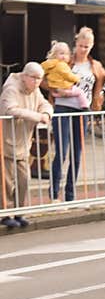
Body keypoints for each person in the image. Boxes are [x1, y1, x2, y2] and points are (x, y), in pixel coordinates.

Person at [45, 27, 105, 203]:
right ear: (75, 44)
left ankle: (70, 195)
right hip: (63, 108)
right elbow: (43, 78)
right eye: (80, 46)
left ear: (91, 46)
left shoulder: (95, 66)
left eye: (87, 46)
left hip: (82, 110)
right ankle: (54, 193)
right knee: (61, 152)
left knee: (76, 154)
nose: (83, 49)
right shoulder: (65, 62)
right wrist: (56, 90)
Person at [0, 62, 52, 228]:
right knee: (6, 182)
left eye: (40, 79)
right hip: (6, 142)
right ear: (24, 76)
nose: (37, 82)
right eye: (34, 78)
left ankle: (19, 211)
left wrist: (45, 113)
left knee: (24, 180)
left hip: (23, 144)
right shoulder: (11, 89)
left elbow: (45, 104)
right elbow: (10, 110)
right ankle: (5, 213)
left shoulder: (35, 90)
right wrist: (37, 117)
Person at [41, 42, 89, 110]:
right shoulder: (61, 65)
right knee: (80, 92)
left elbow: (41, 71)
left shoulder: (49, 64)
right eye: (61, 53)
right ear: (54, 55)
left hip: (56, 90)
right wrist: (77, 79)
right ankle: (84, 106)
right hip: (65, 88)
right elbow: (68, 75)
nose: (64, 56)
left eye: (66, 54)